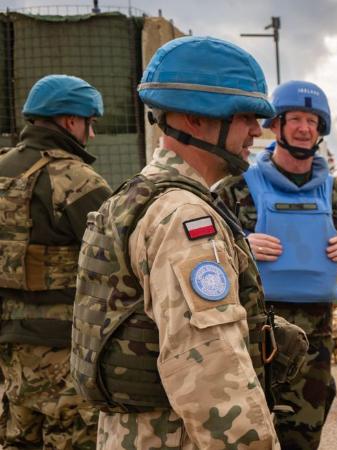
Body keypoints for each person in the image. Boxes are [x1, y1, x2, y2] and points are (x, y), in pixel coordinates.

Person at [71, 36, 301, 449]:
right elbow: (211, 372)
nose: (256, 130)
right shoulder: (184, 217)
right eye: (246, 115)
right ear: (196, 119)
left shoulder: (135, 197)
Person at [217, 80, 337, 450]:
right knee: (246, 431)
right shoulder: (237, 187)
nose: (304, 128)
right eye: (295, 118)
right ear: (276, 126)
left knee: (304, 433)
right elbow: (204, 258)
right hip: (255, 330)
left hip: (315, 337)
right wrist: (241, 247)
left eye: (312, 121)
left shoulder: (333, 190)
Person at [0, 74, 108, 449]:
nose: (90, 135)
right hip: (66, 348)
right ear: (70, 121)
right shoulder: (78, 180)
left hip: (10, 347)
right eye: (89, 123)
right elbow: (117, 260)